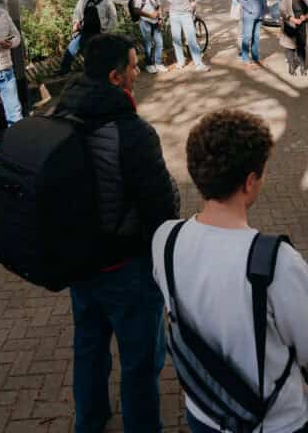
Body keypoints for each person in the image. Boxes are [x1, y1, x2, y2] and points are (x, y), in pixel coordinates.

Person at [152, 110, 308, 433]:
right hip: (277, 421)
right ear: (249, 182)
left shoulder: (165, 239)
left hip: (204, 411)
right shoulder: (278, 260)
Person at [54, 33, 179, 433]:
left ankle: (89, 422)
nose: (137, 70)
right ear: (114, 77)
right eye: (132, 64)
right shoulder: (133, 132)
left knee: (89, 349)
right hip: (127, 267)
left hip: (79, 263)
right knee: (140, 362)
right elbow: (162, 207)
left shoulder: (62, 115)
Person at [160, 0, 210, 72]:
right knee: (176, 39)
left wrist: (195, 1)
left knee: (191, 38)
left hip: (186, 13)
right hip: (174, 14)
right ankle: (181, 62)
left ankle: (198, 63)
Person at [59, 0, 117, 74]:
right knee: (72, 47)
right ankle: (64, 69)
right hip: (85, 31)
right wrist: (76, 24)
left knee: (96, 54)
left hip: (99, 33)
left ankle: (100, 72)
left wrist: (106, 32)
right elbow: (76, 14)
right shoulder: (84, 0)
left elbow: (113, 18)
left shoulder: (107, 2)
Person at [132, 0, 167, 74]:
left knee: (159, 43)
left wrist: (160, 18)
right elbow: (136, 10)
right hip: (145, 21)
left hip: (156, 22)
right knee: (148, 44)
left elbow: (158, 7)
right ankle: (149, 64)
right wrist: (149, 15)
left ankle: (158, 63)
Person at [279, 0, 308, 76]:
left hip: (303, 27)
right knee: (290, 48)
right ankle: (291, 66)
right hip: (290, 27)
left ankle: (302, 66)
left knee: (301, 47)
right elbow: (282, 11)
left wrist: (305, 16)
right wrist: (293, 19)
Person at [238, 0, 268, 67]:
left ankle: (255, 57)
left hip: (259, 15)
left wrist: (265, 10)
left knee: (256, 37)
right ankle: (245, 58)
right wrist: (250, 9)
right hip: (249, 16)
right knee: (247, 36)